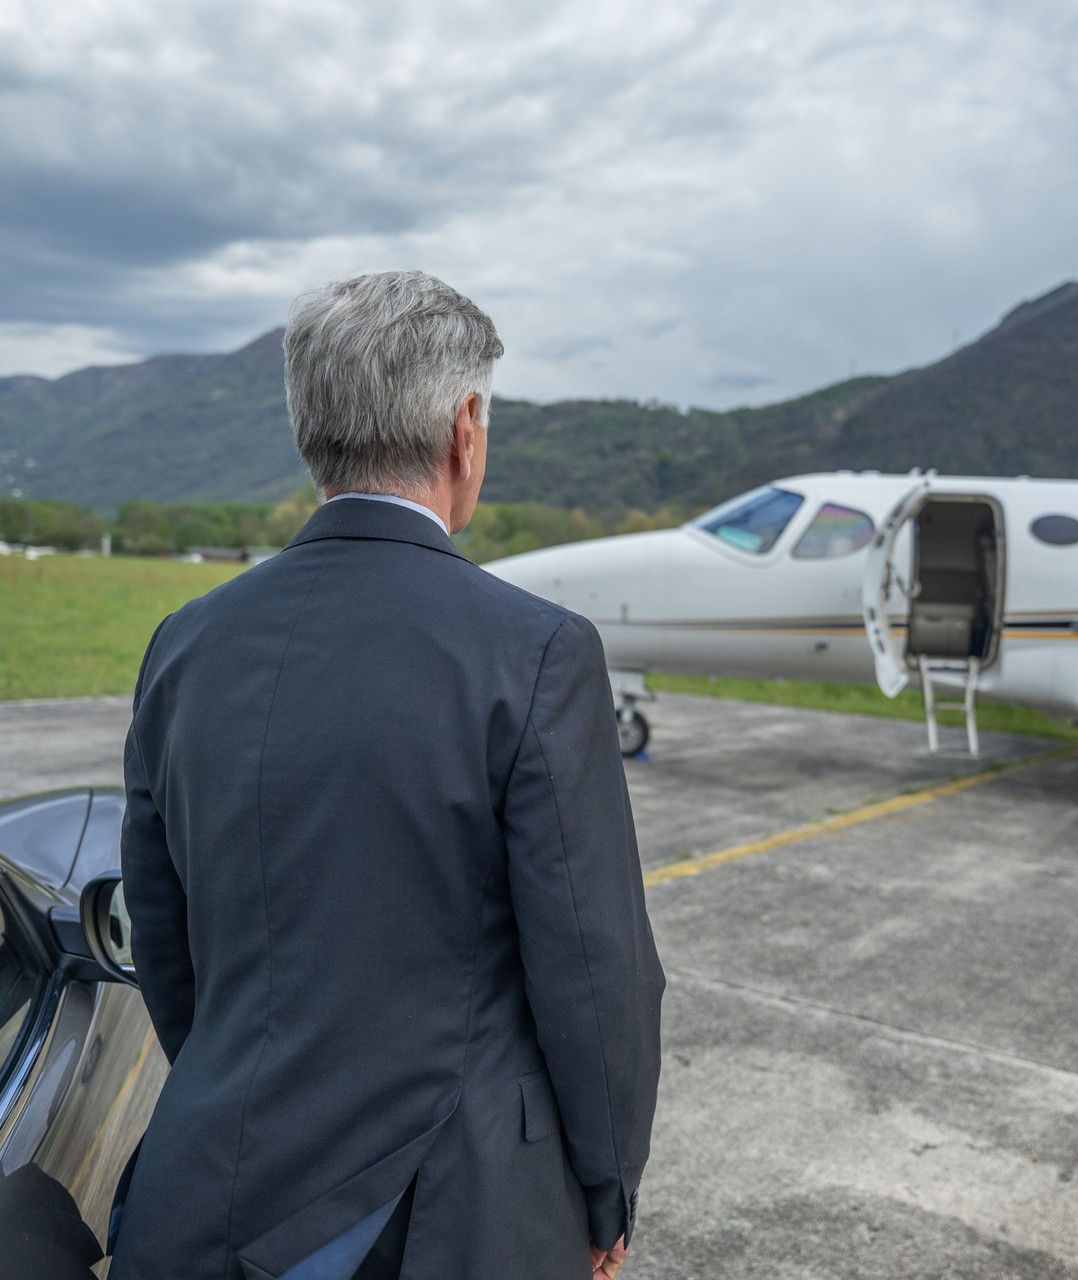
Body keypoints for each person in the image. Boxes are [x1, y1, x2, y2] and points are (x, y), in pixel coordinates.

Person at [113, 270, 665, 1280]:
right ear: (466, 429)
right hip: (447, 1216)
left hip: (202, 1194)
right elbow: (594, 973)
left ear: (307, 430)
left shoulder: (184, 644)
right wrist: (604, 1189)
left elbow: (166, 935)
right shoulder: (535, 652)